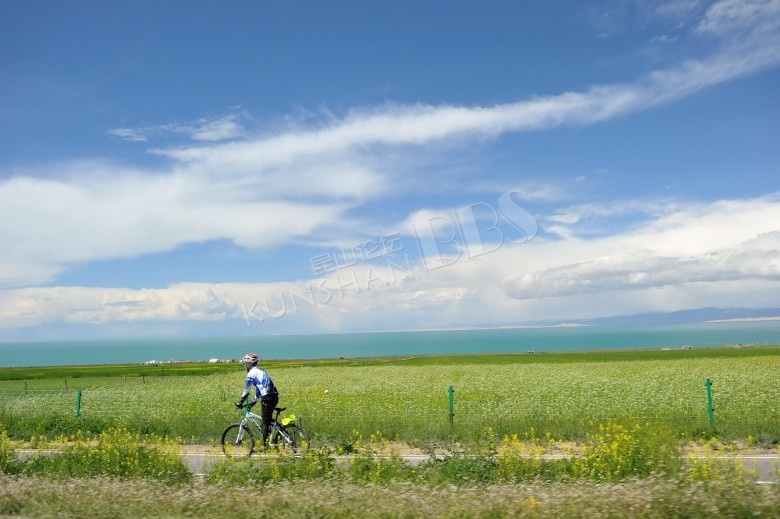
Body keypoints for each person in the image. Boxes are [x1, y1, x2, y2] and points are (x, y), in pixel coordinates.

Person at [235, 353, 279, 446]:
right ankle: (270, 440)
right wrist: (254, 400)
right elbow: (260, 388)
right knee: (267, 421)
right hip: (273, 396)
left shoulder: (251, 373)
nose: (244, 365)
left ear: (249, 364)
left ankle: (265, 447)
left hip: (267, 398)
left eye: (245, 363)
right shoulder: (260, 371)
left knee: (265, 423)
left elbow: (246, 389)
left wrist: (241, 401)